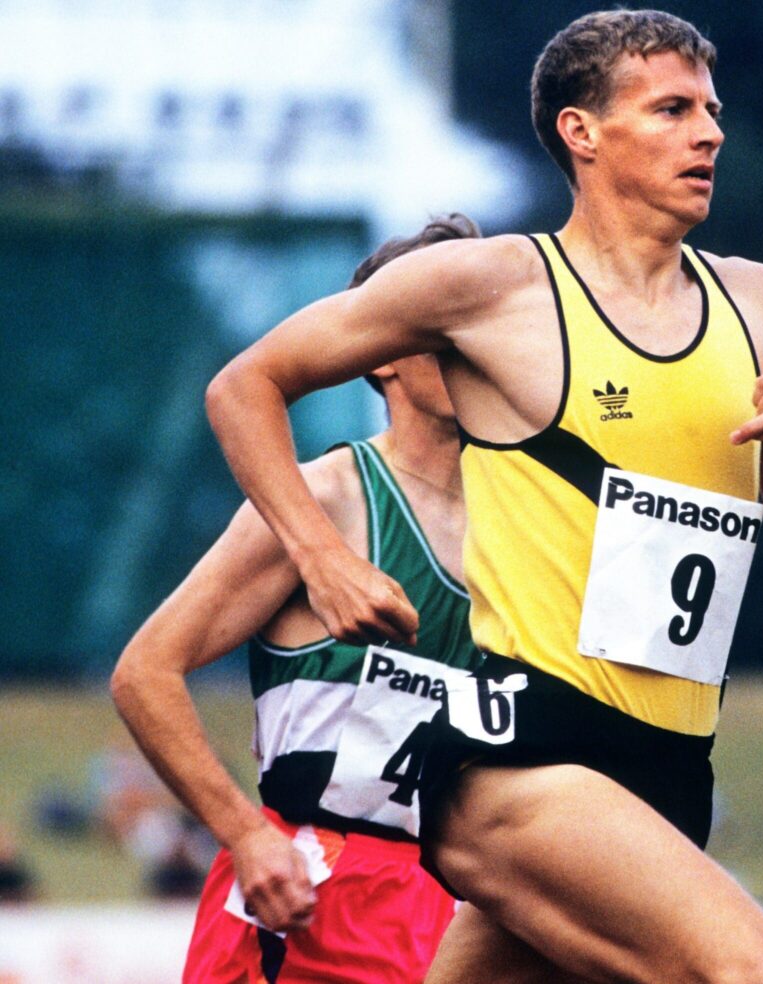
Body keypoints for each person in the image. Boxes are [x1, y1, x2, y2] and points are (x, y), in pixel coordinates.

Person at [203, 11, 763, 984]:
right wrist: (324, 558)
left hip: (669, 773)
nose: (710, 134)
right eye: (673, 110)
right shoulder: (492, 287)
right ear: (581, 132)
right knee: (754, 972)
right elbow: (244, 387)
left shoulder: (761, 304)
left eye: (712, 111)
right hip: (519, 758)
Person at [111, 214, 484, 984]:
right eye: (439, 323)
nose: (468, 342)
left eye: (477, 320)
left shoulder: (524, 522)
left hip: (453, 899)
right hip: (311, 895)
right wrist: (245, 836)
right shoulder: (325, 499)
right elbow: (144, 672)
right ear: (380, 354)